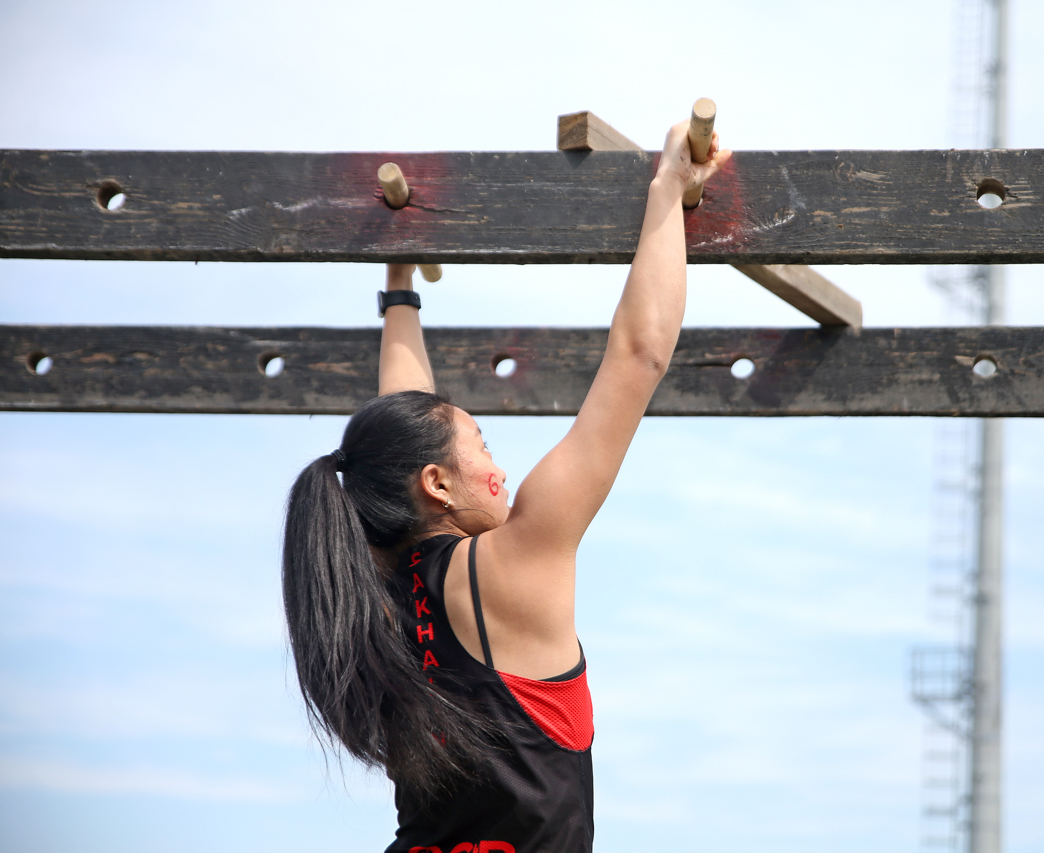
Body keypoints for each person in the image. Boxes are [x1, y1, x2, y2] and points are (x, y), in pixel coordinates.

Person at [282, 118, 730, 852]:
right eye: (482, 444)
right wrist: (666, 191)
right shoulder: (517, 561)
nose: (499, 466)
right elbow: (639, 354)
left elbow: (402, 423)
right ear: (435, 483)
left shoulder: (369, 604)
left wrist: (401, 290)